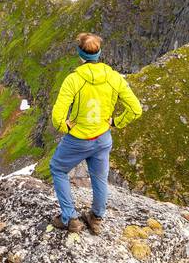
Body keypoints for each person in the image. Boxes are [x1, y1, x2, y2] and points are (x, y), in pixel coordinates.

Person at [48, 32, 142, 233]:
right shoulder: (113, 77)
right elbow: (136, 109)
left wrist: (66, 127)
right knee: (99, 178)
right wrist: (116, 122)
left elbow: (57, 116)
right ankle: (96, 218)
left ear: (80, 54)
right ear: (98, 53)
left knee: (58, 168)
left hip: (78, 139)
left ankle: (70, 219)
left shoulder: (73, 80)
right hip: (102, 138)